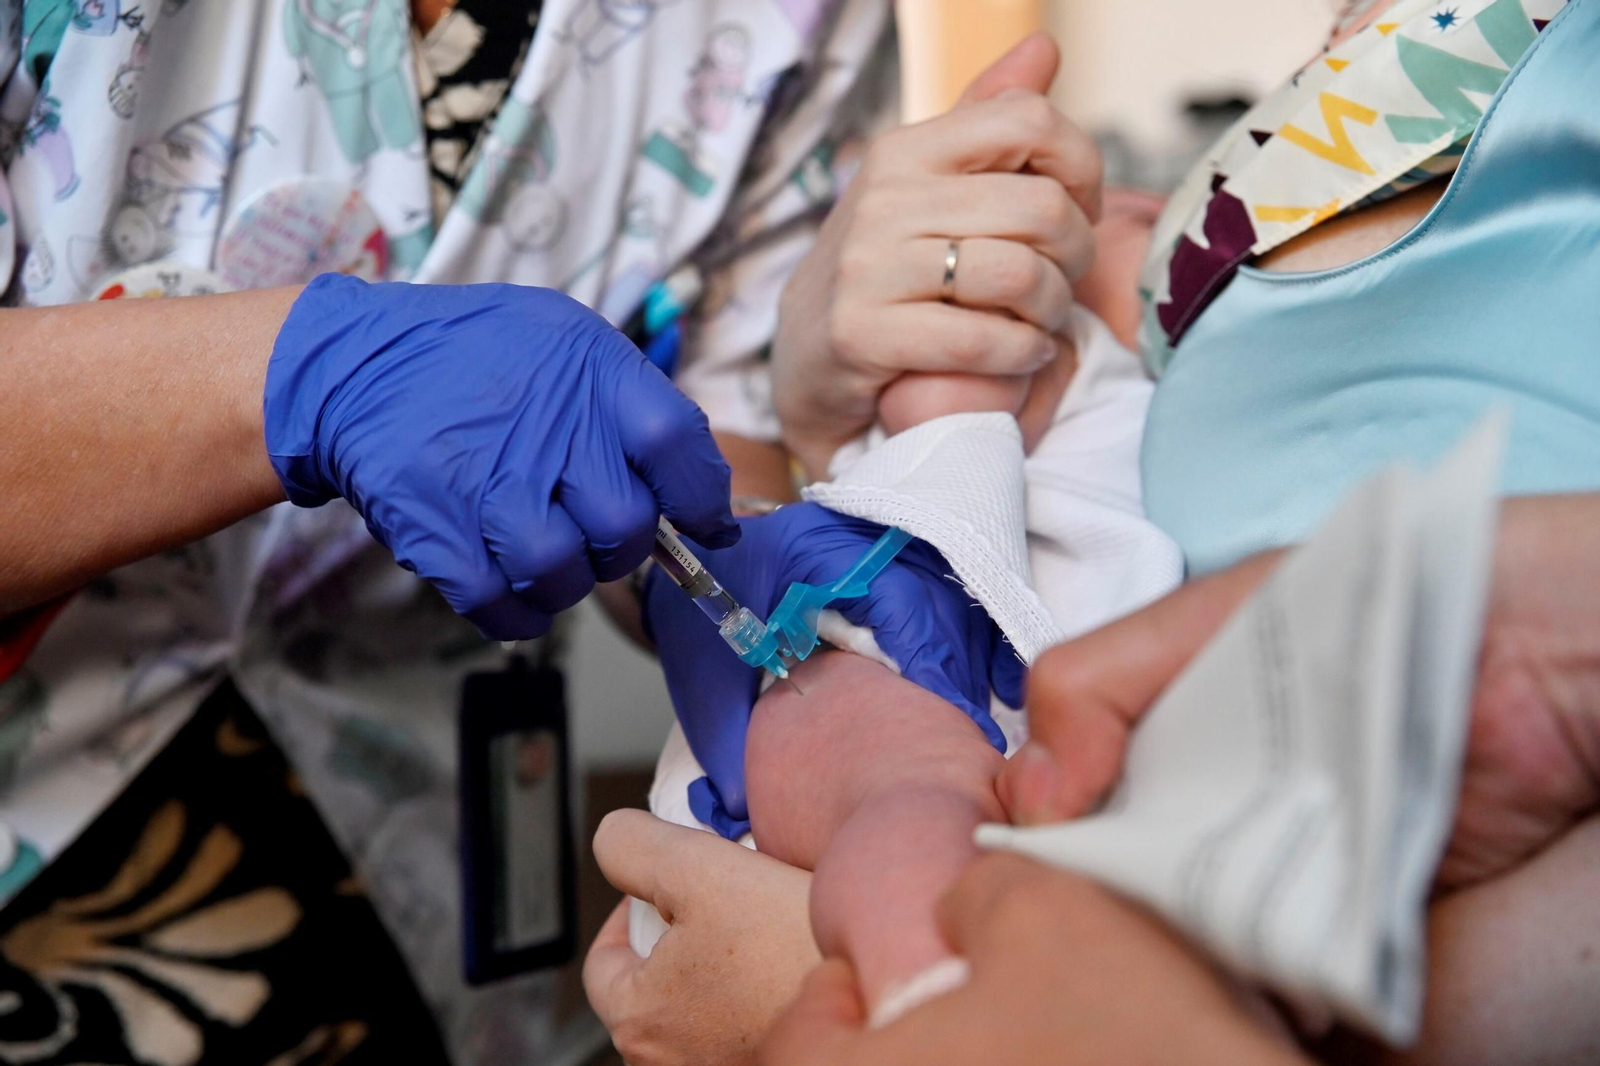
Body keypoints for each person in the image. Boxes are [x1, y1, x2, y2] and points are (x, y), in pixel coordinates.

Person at [590, 0, 1600, 1061]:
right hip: (966, 702)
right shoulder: (1110, 340)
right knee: (897, 762)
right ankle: (918, 935)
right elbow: (966, 369)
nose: (1123, 219)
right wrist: (851, 386)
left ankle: (923, 966)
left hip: (1201, 811)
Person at [0, 1, 913, 1062]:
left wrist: (735, 540)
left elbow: (715, 415)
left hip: (438, 868)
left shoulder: (796, 22)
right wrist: (298, 371)